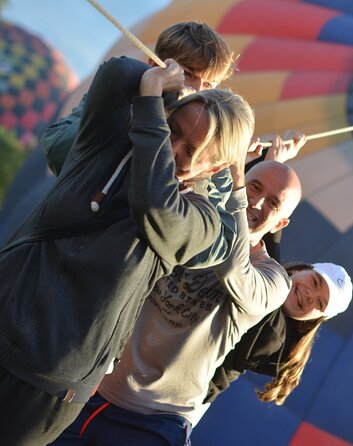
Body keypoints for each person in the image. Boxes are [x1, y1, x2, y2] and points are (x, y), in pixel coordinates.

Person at [0, 53, 254, 445]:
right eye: (173, 128)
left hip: (44, 387)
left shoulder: (199, 223)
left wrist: (152, 105)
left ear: (212, 171)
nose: (173, 148)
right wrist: (164, 81)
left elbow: (157, 204)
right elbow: (115, 73)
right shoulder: (105, 145)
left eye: (191, 151)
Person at [51, 159, 305, 445]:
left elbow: (234, 269)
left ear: (281, 223)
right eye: (253, 186)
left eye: (273, 202)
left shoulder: (274, 279)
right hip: (90, 391)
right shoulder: (195, 224)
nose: (256, 201)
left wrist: (234, 190)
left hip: (156, 421)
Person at [43, 20, 235, 176]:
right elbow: (56, 148)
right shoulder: (121, 92)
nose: (198, 90)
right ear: (154, 65)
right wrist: (142, 102)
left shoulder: (209, 137)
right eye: (187, 74)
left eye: (209, 85)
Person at [210, 262, 353, 406]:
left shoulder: (276, 337)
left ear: (315, 320)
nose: (311, 296)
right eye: (315, 282)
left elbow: (268, 289)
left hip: (191, 395)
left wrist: (263, 248)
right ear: (299, 270)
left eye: (320, 304)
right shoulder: (259, 275)